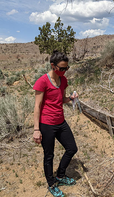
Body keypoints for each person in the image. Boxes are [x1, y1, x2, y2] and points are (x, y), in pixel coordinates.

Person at [33, 50, 78, 197]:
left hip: (60, 121)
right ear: (53, 66)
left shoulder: (63, 80)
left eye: (66, 68)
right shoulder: (42, 81)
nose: (64, 71)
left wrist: (71, 98)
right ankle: (51, 184)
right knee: (49, 155)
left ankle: (60, 176)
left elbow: (61, 99)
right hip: (46, 124)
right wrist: (36, 129)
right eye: (62, 68)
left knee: (72, 148)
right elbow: (37, 106)